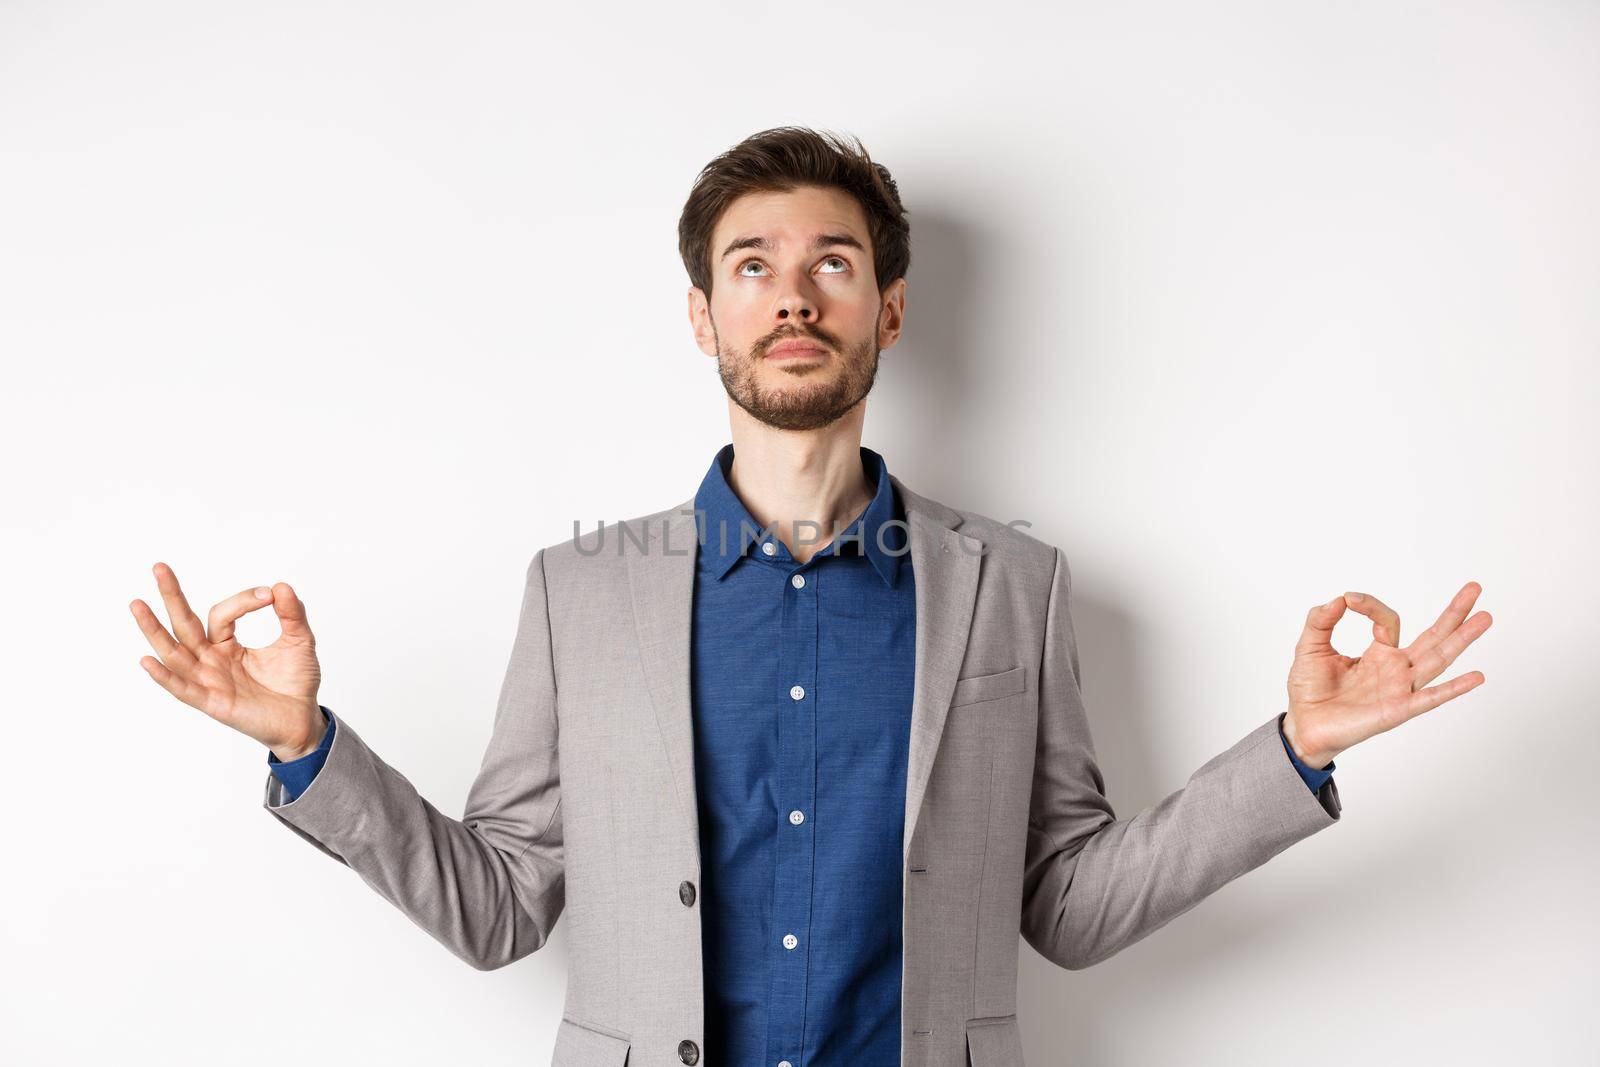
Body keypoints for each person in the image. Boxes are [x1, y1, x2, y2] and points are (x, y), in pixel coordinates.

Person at [129, 126, 1493, 1067]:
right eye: (753, 267)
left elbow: (1069, 907)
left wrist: (1298, 750)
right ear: (704, 317)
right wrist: (305, 746)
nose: (794, 296)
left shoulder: (1015, 584)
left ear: (889, 310)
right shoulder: (579, 593)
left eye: (832, 264)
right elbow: (501, 910)